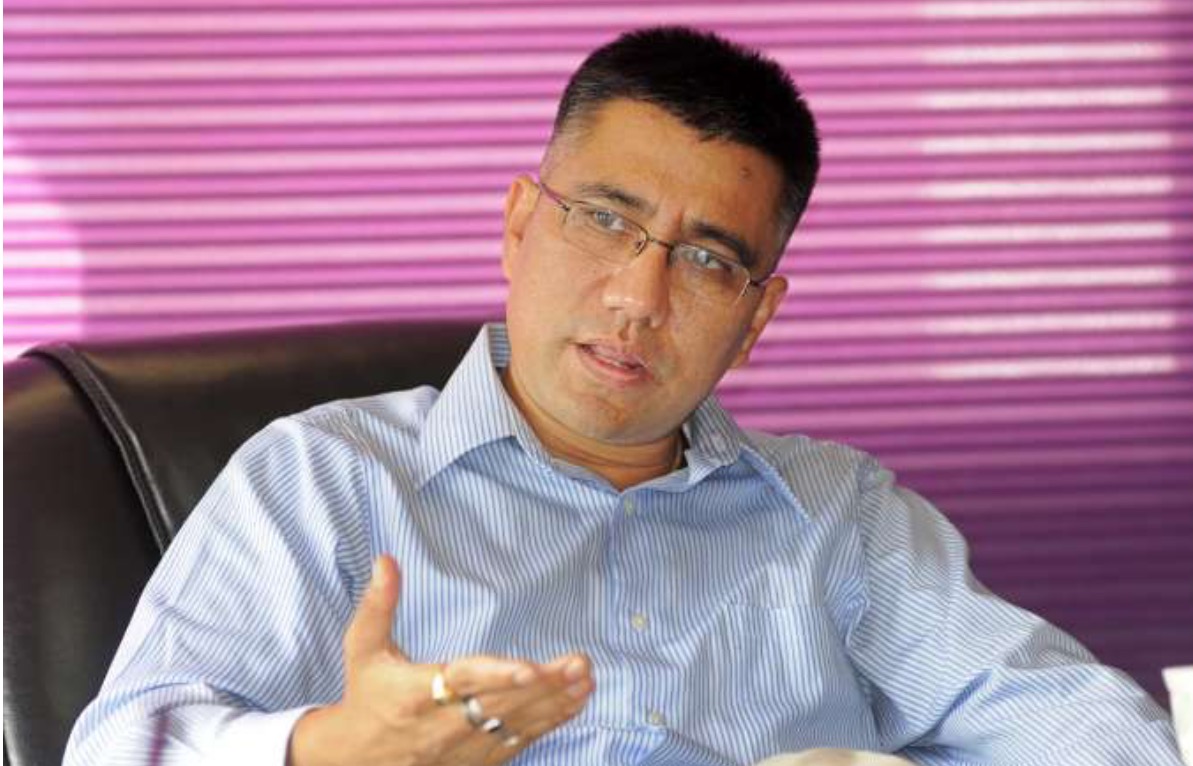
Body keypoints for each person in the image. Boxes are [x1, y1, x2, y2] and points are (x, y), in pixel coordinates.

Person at [64, 26, 1182, 766]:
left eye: (705, 260)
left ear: (755, 317)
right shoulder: (327, 478)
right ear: (519, 225)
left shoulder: (837, 514)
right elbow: (122, 747)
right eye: (605, 220)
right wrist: (325, 750)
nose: (637, 298)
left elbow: (1074, 723)